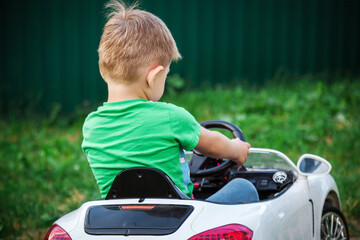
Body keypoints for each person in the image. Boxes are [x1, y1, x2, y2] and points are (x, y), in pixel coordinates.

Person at [82, 0, 259, 203]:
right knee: (243, 187)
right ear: (154, 76)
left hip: (118, 221)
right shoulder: (171, 117)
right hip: (179, 219)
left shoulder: (91, 127)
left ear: (103, 71)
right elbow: (211, 145)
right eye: (166, 74)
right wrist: (236, 149)